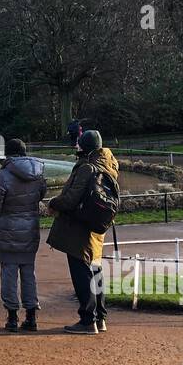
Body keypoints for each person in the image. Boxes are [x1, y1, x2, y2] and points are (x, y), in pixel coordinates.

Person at [46, 129, 119, 335]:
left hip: (79, 228)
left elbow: (71, 199)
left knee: (81, 273)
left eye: (79, 144)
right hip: (96, 227)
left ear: (85, 147)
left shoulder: (87, 167)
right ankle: (100, 318)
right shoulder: (108, 165)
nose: (76, 146)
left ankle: (88, 320)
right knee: (96, 271)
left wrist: (53, 202)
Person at [0, 138, 47, 332]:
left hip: (8, 227)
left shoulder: (4, 174)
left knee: (9, 272)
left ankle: (12, 316)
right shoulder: (38, 172)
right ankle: (31, 315)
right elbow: (41, 195)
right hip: (30, 227)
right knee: (28, 271)